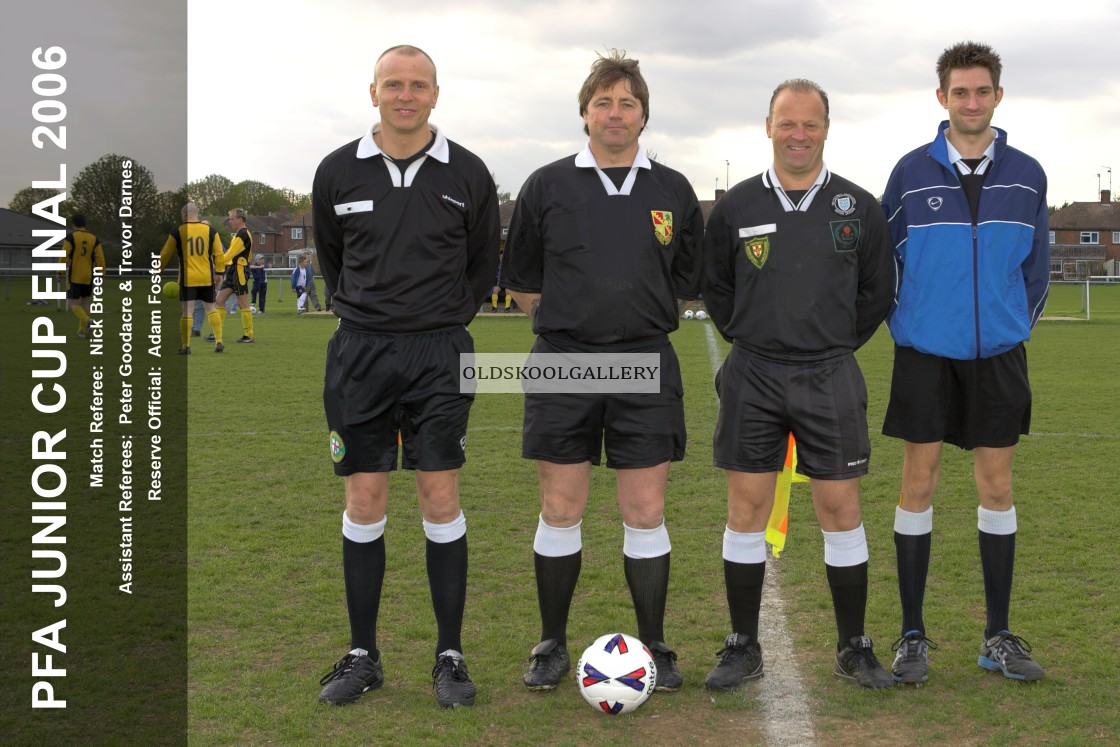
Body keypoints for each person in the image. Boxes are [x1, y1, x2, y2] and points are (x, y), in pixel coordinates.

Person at [501, 49, 703, 694]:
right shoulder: (547, 185)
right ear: (585, 112)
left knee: (645, 511)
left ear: (644, 114)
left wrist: (627, 318)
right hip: (564, 361)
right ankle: (551, 644)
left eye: (628, 103)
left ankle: (655, 645)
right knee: (561, 508)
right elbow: (524, 284)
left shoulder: (672, 190)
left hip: (644, 360)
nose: (615, 114)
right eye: (603, 102)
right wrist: (578, 322)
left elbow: (684, 283)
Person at [311, 44, 500, 708]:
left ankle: (449, 654)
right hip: (360, 353)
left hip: (440, 352)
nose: (405, 95)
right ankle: (363, 653)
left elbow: (482, 268)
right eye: (394, 84)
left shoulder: (468, 173)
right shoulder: (337, 171)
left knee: (438, 498)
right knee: (364, 501)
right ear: (373, 93)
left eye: (418, 85)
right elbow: (333, 264)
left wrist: (435, 318)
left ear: (435, 95)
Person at [700, 79, 896, 691]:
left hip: (829, 371)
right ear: (768, 126)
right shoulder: (734, 207)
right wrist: (755, 337)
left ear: (827, 129)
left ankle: (854, 647)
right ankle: (742, 644)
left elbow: (877, 294)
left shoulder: (859, 207)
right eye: (788, 122)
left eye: (810, 124)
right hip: (753, 371)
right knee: (747, 508)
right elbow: (717, 289)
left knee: (841, 509)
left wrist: (828, 344)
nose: (798, 134)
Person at [881, 41, 1049, 684]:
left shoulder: (1028, 173)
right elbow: (884, 264)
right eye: (960, 92)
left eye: (982, 91)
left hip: (999, 356)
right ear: (942, 97)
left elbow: (1034, 272)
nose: (971, 102)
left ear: (997, 97)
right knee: (916, 486)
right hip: (926, 354)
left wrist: (1010, 326)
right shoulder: (908, 172)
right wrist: (910, 326)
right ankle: (912, 635)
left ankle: (998, 634)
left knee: (997, 488)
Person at [159, 203, 226, 353]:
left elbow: (166, 252)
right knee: (211, 309)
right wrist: (219, 272)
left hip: (188, 279)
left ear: (184, 215)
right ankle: (219, 341)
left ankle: (186, 346)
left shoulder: (178, 231)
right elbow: (219, 254)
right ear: (197, 214)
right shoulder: (211, 230)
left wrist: (159, 269)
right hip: (206, 277)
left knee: (187, 312)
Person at [60, 214, 106, 338]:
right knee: (84, 304)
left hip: (75, 276)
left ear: (74, 224)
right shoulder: (94, 238)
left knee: (73, 304)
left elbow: (64, 256)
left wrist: (59, 272)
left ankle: (89, 321)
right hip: (88, 277)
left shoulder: (71, 237)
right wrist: (102, 273)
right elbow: (100, 258)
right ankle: (81, 332)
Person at [214, 208, 256, 343]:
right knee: (219, 300)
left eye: (232, 218)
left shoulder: (242, 235)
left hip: (239, 271)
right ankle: (217, 332)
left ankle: (249, 335)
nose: (230, 221)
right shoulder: (238, 234)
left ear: (240, 219)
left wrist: (217, 265)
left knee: (242, 303)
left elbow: (229, 255)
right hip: (232, 270)